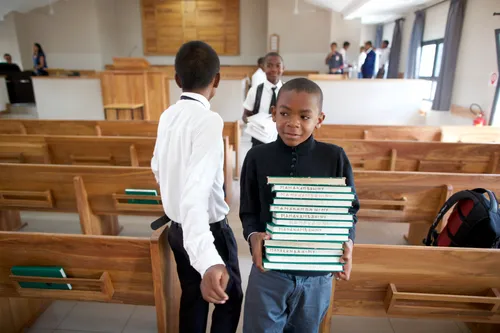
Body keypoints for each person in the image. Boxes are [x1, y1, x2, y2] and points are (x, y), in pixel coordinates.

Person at [239, 78, 359, 333]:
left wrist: (347, 241)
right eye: (284, 113)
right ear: (273, 114)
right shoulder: (256, 157)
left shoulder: (335, 157)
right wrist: (252, 236)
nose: (293, 123)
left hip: (317, 275)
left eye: (305, 117)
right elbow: (248, 210)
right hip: (269, 272)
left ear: (319, 119)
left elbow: (349, 210)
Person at [151, 41, 243, 333]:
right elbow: (195, 197)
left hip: (177, 230)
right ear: (217, 80)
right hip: (207, 230)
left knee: (192, 297)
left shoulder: (168, 115)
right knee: (229, 297)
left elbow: (156, 166)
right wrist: (208, 261)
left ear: (177, 79)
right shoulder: (208, 120)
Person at [242, 52, 284, 147]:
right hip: (259, 141)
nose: (273, 69)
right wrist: (254, 123)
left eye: (278, 66)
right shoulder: (254, 91)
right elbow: (245, 115)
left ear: (283, 69)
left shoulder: (288, 90)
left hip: (283, 140)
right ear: (263, 68)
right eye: (269, 66)